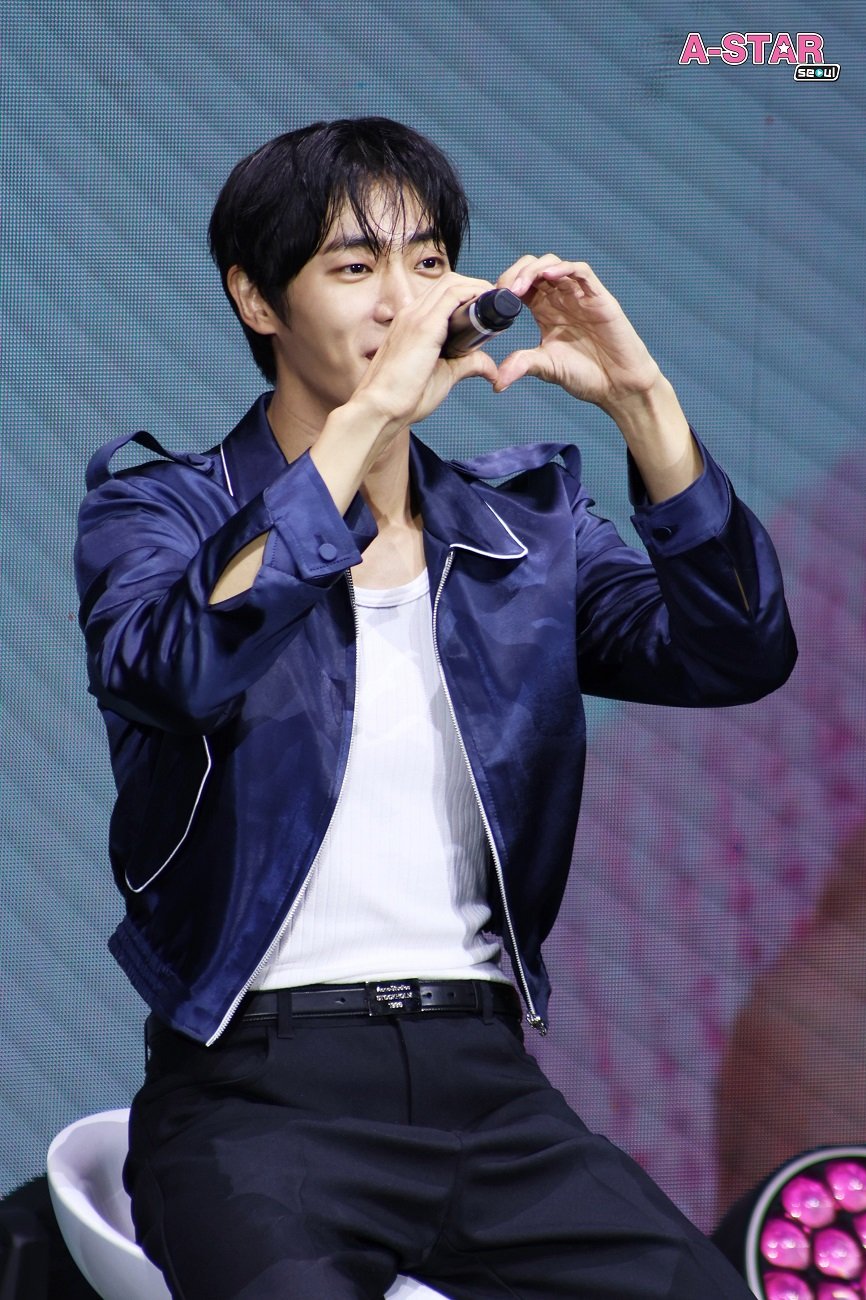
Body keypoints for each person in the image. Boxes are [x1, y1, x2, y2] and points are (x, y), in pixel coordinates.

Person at [74, 117, 797, 1299]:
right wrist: (367, 421)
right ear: (256, 298)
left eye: (426, 262)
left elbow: (737, 650)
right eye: (352, 266)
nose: (400, 302)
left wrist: (642, 401)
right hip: (256, 1097)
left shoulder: (526, 534)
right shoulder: (157, 513)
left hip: (485, 1088)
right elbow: (175, 668)